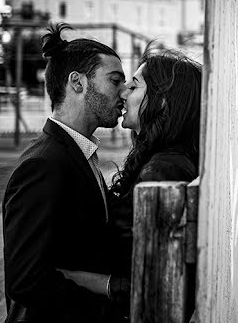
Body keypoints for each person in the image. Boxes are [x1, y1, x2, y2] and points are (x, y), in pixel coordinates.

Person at [56, 48, 202, 316]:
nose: (122, 93)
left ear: (162, 101)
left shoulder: (163, 171)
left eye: (133, 86)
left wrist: (80, 278)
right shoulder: (163, 161)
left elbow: (155, 275)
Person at [3, 23, 126, 322]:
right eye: (115, 81)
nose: (124, 93)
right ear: (77, 82)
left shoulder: (78, 153)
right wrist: (105, 311)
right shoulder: (43, 165)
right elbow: (27, 279)